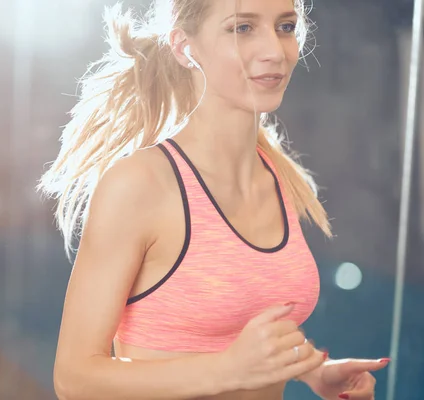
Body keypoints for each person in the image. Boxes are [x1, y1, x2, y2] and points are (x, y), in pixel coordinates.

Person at [39, 0, 390, 399]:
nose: (275, 51)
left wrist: (313, 370)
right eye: (242, 28)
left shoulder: (276, 172)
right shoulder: (141, 184)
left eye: (285, 26)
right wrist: (228, 370)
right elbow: (74, 378)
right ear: (185, 47)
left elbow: (245, 314)